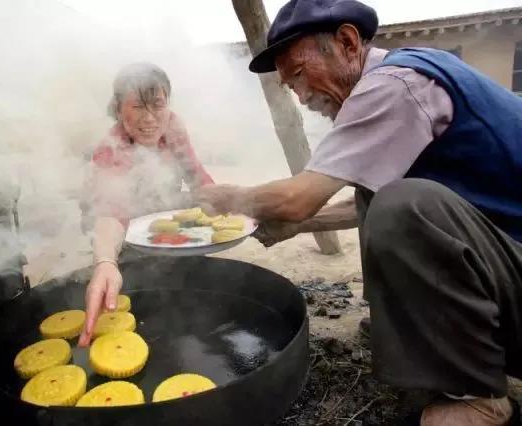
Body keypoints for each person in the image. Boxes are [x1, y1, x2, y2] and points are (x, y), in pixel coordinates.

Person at [196, 0, 522, 424]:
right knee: (382, 195)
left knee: (405, 206)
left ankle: (477, 393)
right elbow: (361, 202)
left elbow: (301, 197)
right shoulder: (415, 72)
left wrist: (233, 198)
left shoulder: (393, 86)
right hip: (506, 264)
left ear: (348, 43)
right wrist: (302, 227)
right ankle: (407, 330)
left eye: (298, 75)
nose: (301, 95)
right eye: (289, 86)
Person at [79, 62, 213, 347]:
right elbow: (110, 214)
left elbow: (197, 176)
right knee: (134, 283)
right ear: (118, 109)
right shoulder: (112, 147)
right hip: (114, 223)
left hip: (159, 215)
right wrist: (105, 261)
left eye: (158, 105)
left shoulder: (173, 126)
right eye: (138, 107)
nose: (150, 118)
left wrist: (231, 205)